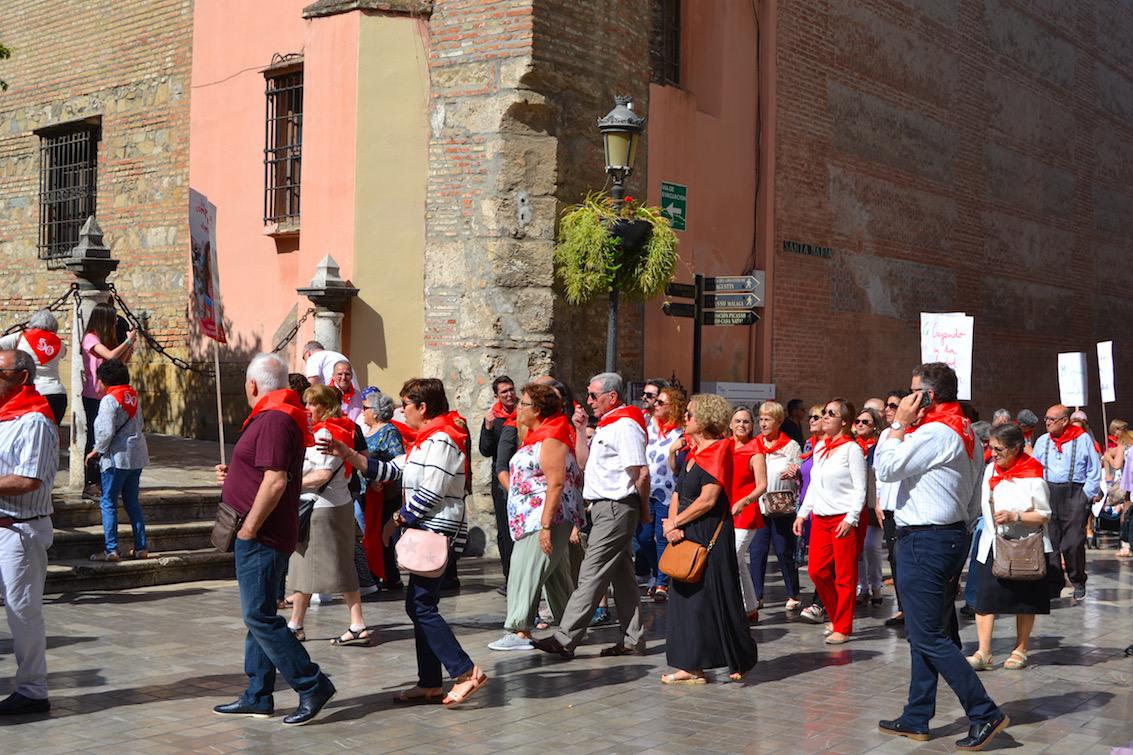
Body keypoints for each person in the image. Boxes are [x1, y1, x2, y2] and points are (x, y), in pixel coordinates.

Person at [320, 378, 487, 706]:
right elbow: (390, 470)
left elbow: (431, 491)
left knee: (421, 606)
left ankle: (467, 671)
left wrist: (395, 520)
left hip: (437, 531)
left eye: (405, 405)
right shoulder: (425, 439)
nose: (401, 411)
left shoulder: (443, 439)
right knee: (420, 605)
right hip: (426, 531)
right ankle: (430, 683)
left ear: (422, 408)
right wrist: (348, 453)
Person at [875, 362, 1007, 750]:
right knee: (925, 631)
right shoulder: (965, 430)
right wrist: (959, 531)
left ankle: (984, 711)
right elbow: (971, 494)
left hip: (926, 540)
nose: (907, 397)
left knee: (929, 635)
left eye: (913, 390)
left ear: (928, 396)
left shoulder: (935, 430)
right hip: (945, 537)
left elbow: (885, 467)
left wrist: (897, 424)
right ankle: (917, 715)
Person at [213, 353, 335, 726]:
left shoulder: (273, 419)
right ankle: (258, 693)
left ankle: (311, 683)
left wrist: (249, 527)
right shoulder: (276, 416)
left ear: (252, 385)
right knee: (260, 614)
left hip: (262, 533)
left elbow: (276, 480)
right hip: (264, 530)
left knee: (259, 615)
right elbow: (266, 471)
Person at [532, 372, 649, 660]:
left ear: (612, 396)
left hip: (616, 506)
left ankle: (565, 637)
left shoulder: (625, 426)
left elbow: (641, 473)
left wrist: (643, 509)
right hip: (605, 507)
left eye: (594, 396)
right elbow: (584, 462)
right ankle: (633, 639)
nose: (589, 401)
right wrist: (582, 427)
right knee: (622, 576)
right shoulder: (608, 425)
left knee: (591, 573)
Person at [660, 393, 758, 684]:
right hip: (685, 529)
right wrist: (671, 525)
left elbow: (708, 500)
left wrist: (676, 521)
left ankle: (736, 657)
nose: (685, 419)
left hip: (708, 530)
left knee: (716, 597)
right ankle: (691, 666)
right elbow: (679, 491)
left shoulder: (719, 450)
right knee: (687, 599)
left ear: (702, 420)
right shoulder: (692, 452)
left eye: (689, 415)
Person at [488, 384, 584, 651]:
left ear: (538, 410)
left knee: (524, 570)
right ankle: (570, 627)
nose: (518, 408)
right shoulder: (540, 435)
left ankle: (518, 631)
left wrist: (545, 526)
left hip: (542, 518)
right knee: (552, 575)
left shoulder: (552, 437)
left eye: (524, 404)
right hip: (534, 517)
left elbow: (555, 484)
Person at [285, 385, 372, 646]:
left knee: (338, 566)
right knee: (303, 566)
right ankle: (296, 624)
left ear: (326, 406)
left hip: (324, 510)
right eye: (306, 404)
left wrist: (288, 485)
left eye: (312, 404)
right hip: (319, 507)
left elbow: (322, 475)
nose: (307, 409)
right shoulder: (327, 430)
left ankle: (357, 624)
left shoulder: (328, 432)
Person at [0, 349, 58, 715]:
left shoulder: (35, 421)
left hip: (21, 531)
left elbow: (29, 480)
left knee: (22, 612)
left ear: (21, 377)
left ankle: (33, 690)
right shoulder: (6, 417)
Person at [967, 424, 1052, 672]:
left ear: (1016, 448)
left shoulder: (1034, 476)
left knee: (1025, 600)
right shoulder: (991, 469)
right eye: (991, 448)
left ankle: (1021, 649)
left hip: (1025, 547)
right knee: (984, 598)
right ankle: (984, 652)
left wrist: (1016, 516)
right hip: (992, 543)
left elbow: (1045, 514)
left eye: (999, 448)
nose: (993, 453)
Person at [792, 399, 866, 644]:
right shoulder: (822, 446)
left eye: (830, 414)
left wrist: (852, 517)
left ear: (844, 422)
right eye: (823, 412)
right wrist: (803, 513)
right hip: (821, 518)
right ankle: (835, 615)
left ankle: (843, 627)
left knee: (845, 576)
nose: (824, 417)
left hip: (842, 519)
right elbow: (815, 485)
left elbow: (860, 488)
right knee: (816, 571)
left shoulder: (851, 449)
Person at [1031, 404, 1102, 601]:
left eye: (1052, 419)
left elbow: (1094, 470)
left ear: (1064, 421)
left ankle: (1077, 579)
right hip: (1049, 492)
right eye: (1046, 418)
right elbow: (1034, 467)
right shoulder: (1042, 441)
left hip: (1074, 493)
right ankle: (1054, 582)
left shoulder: (1082, 439)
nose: (1047, 422)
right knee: (1051, 541)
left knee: (1073, 542)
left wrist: (1085, 496)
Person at [86, 359, 150, 562]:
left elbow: (105, 431)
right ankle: (141, 547)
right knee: (132, 502)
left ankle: (111, 550)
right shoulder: (133, 396)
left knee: (108, 502)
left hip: (116, 458)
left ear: (105, 381)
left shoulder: (109, 400)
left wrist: (95, 450)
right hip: (136, 457)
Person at [749, 402, 803, 612]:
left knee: (783, 551)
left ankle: (793, 593)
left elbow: (800, 472)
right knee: (757, 552)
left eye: (768, 419)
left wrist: (795, 472)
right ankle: (756, 596)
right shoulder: (755, 445)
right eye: (761, 419)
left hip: (781, 506)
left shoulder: (791, 446)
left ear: (779, 421)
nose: (763, 423)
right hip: (758, 507)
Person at [81, 303, 136, 499]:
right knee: (95, 439)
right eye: (112, 321)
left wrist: (131, 345)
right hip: (94, 396)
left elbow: (119, 363)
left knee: (111, 438)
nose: (115, 324)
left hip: (109, 395)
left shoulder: (104, 339)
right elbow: (111, 355)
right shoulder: (90, 338)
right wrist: (127, 342)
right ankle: (90, 483)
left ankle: (107, 480)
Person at [639, 385, 685, 601]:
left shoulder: (680, 433)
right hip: (647, 491)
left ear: (672, 407)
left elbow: (677, 468)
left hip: (668, 493)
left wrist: (674, 450)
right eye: (655, 402)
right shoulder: (648, 429)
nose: (655, 405)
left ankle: (661, 584)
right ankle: (658, 572)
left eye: (660, 402)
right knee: (644, 537)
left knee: (662, 538)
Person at [728, 406, 767, 621]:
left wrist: (746, 500)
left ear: (751, 426)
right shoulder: (724, 447)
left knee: (732, 559)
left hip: (747, 512)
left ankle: (732, 610)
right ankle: (750, 608)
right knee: (740, 562)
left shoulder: (755, 450)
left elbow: (762, 485)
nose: (742, 425)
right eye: (738, 421)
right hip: (728, 512)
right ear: (730, 424)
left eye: (746, 421)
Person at [479, 375, 518, 587]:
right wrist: (487, 428)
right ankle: (509, 576)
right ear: (497, 396)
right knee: (504, 529)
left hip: (522, 476)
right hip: (501, 478)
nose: (510, 394)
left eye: (511, 389)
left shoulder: (525, 412)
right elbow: (484, 450)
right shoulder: (494, 418)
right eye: (504, 392)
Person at [0, 310, 67, 425]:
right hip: (57, 393)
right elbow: (63, 354)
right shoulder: (60, 344)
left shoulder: (20, 337)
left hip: (35, 394)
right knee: (52, 434)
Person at [878, 390, 908, 627]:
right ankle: (902, 608)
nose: (888, 409)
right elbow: (879, 471)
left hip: (904, 505)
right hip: (887, 505)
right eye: (886, 406)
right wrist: (878, 501)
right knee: (895, 560)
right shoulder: (885, 435)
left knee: (904, 557)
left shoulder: (910, 434)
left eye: (893, 405)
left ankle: (911, 607)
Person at [796, 403, 828, 624]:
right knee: (814, 561)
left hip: (826, 509)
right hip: (807, 507)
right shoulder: (809, 445)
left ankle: (821, 603)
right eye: (810, 417)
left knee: (824, 563)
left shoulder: (831, 446)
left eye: (817, 417)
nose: (812, 421)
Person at [854, 407, 884, 605]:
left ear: (875, 426)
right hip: (856, 503)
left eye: (866, 422)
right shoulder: (852, 447)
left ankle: (876, 586)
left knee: (871, 546)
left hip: (874, 503)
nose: (861, 425)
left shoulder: (878, 448)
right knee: (858, 548)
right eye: (858, 421)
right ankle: (862, 587)